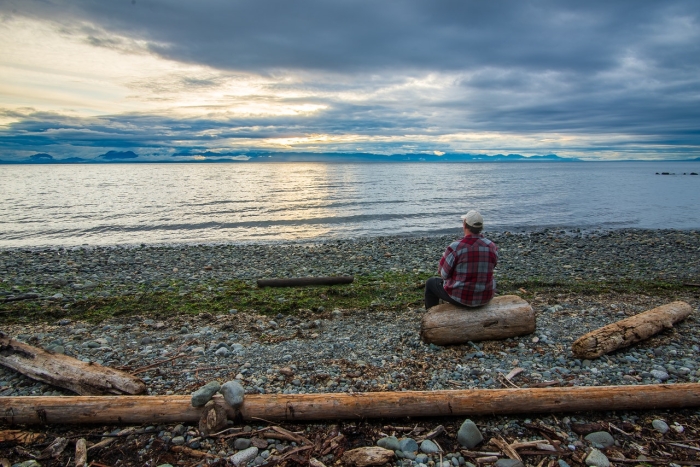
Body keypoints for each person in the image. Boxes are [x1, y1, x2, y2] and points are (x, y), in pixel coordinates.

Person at [424, 210, 498, 310]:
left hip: (462, 298)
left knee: (430, 283)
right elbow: (492, 266)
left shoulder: (456, 247)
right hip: (485, 297)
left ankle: (431, 315)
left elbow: (443, 274)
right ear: (481, 227)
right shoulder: (491, 246)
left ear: (464, 225)